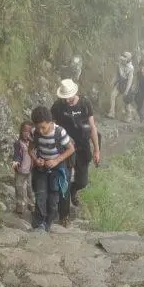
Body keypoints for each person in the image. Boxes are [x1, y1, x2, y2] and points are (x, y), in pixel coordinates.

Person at [51, 78, 101, 226]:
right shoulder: (57, 106)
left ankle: (74, 190)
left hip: (83, 146)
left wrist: (97, 150)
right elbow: (51, 126)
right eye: (64, 98)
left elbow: (92, 128)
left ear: (75, 93)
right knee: (64, 179)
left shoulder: (85, 104)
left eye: (69, 97)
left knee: (82, 181)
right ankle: (64, 215)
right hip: (65, 147)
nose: (66, 100)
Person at [28, 106, 75, 232]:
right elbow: (30, 149)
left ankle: (47, 223)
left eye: (43, 127)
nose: (41, 131)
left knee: (53, 199)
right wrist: (36, 159)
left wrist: (56, 161)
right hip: (41, 168)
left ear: (51, 122)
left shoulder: (60, 132)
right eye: (38, 128)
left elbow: (71, 149)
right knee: (40, 195)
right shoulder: (34, 132)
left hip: (57, 169)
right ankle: (38, 224)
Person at [11, 121, 34, 215]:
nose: (26, 133)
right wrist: (16, 162)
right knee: (19, 188)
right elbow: (17, 155)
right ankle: (20, 207)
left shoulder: (33, 143)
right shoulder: (18, 143)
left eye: (29, 131)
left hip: (30, 170)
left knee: (30, 189)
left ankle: (32, 206)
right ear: (21, 131)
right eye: (24, 131)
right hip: (20, 170)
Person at [107, 51, 134, 120]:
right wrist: (113, 81)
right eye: (123, 56)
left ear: (128, 59)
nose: (122, 58)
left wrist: (127, 91)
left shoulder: (131, 68)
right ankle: (112, 112)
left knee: (126, 102)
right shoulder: (119, 64)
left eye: (125, 57)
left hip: (127, 84)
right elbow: (117, 74)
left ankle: (129, 115)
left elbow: (130, 81)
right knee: (113, 95)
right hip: (120, 83)